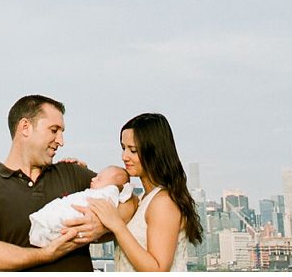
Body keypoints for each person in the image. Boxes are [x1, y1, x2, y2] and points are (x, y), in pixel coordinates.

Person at [0, 94, 138, 271]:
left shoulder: (72, 173)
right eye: (54, 130)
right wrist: (46, 254)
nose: (61, 141)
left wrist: (99, 226)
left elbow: (131, 201)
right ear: (25, 127)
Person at [85, 113, 203, 271]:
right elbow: (96, 234)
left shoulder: (163, 202)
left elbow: (158, 269)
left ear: (153, 151)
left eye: (133, 150)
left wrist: (117, 225)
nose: (124, 156)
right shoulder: (141, 200)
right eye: (123, 148)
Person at [28, 165, 133, 247]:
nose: (93, 179)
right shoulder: (100, 183)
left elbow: (131, 199)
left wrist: (104, 225)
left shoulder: (107, 192)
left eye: (99, 179)